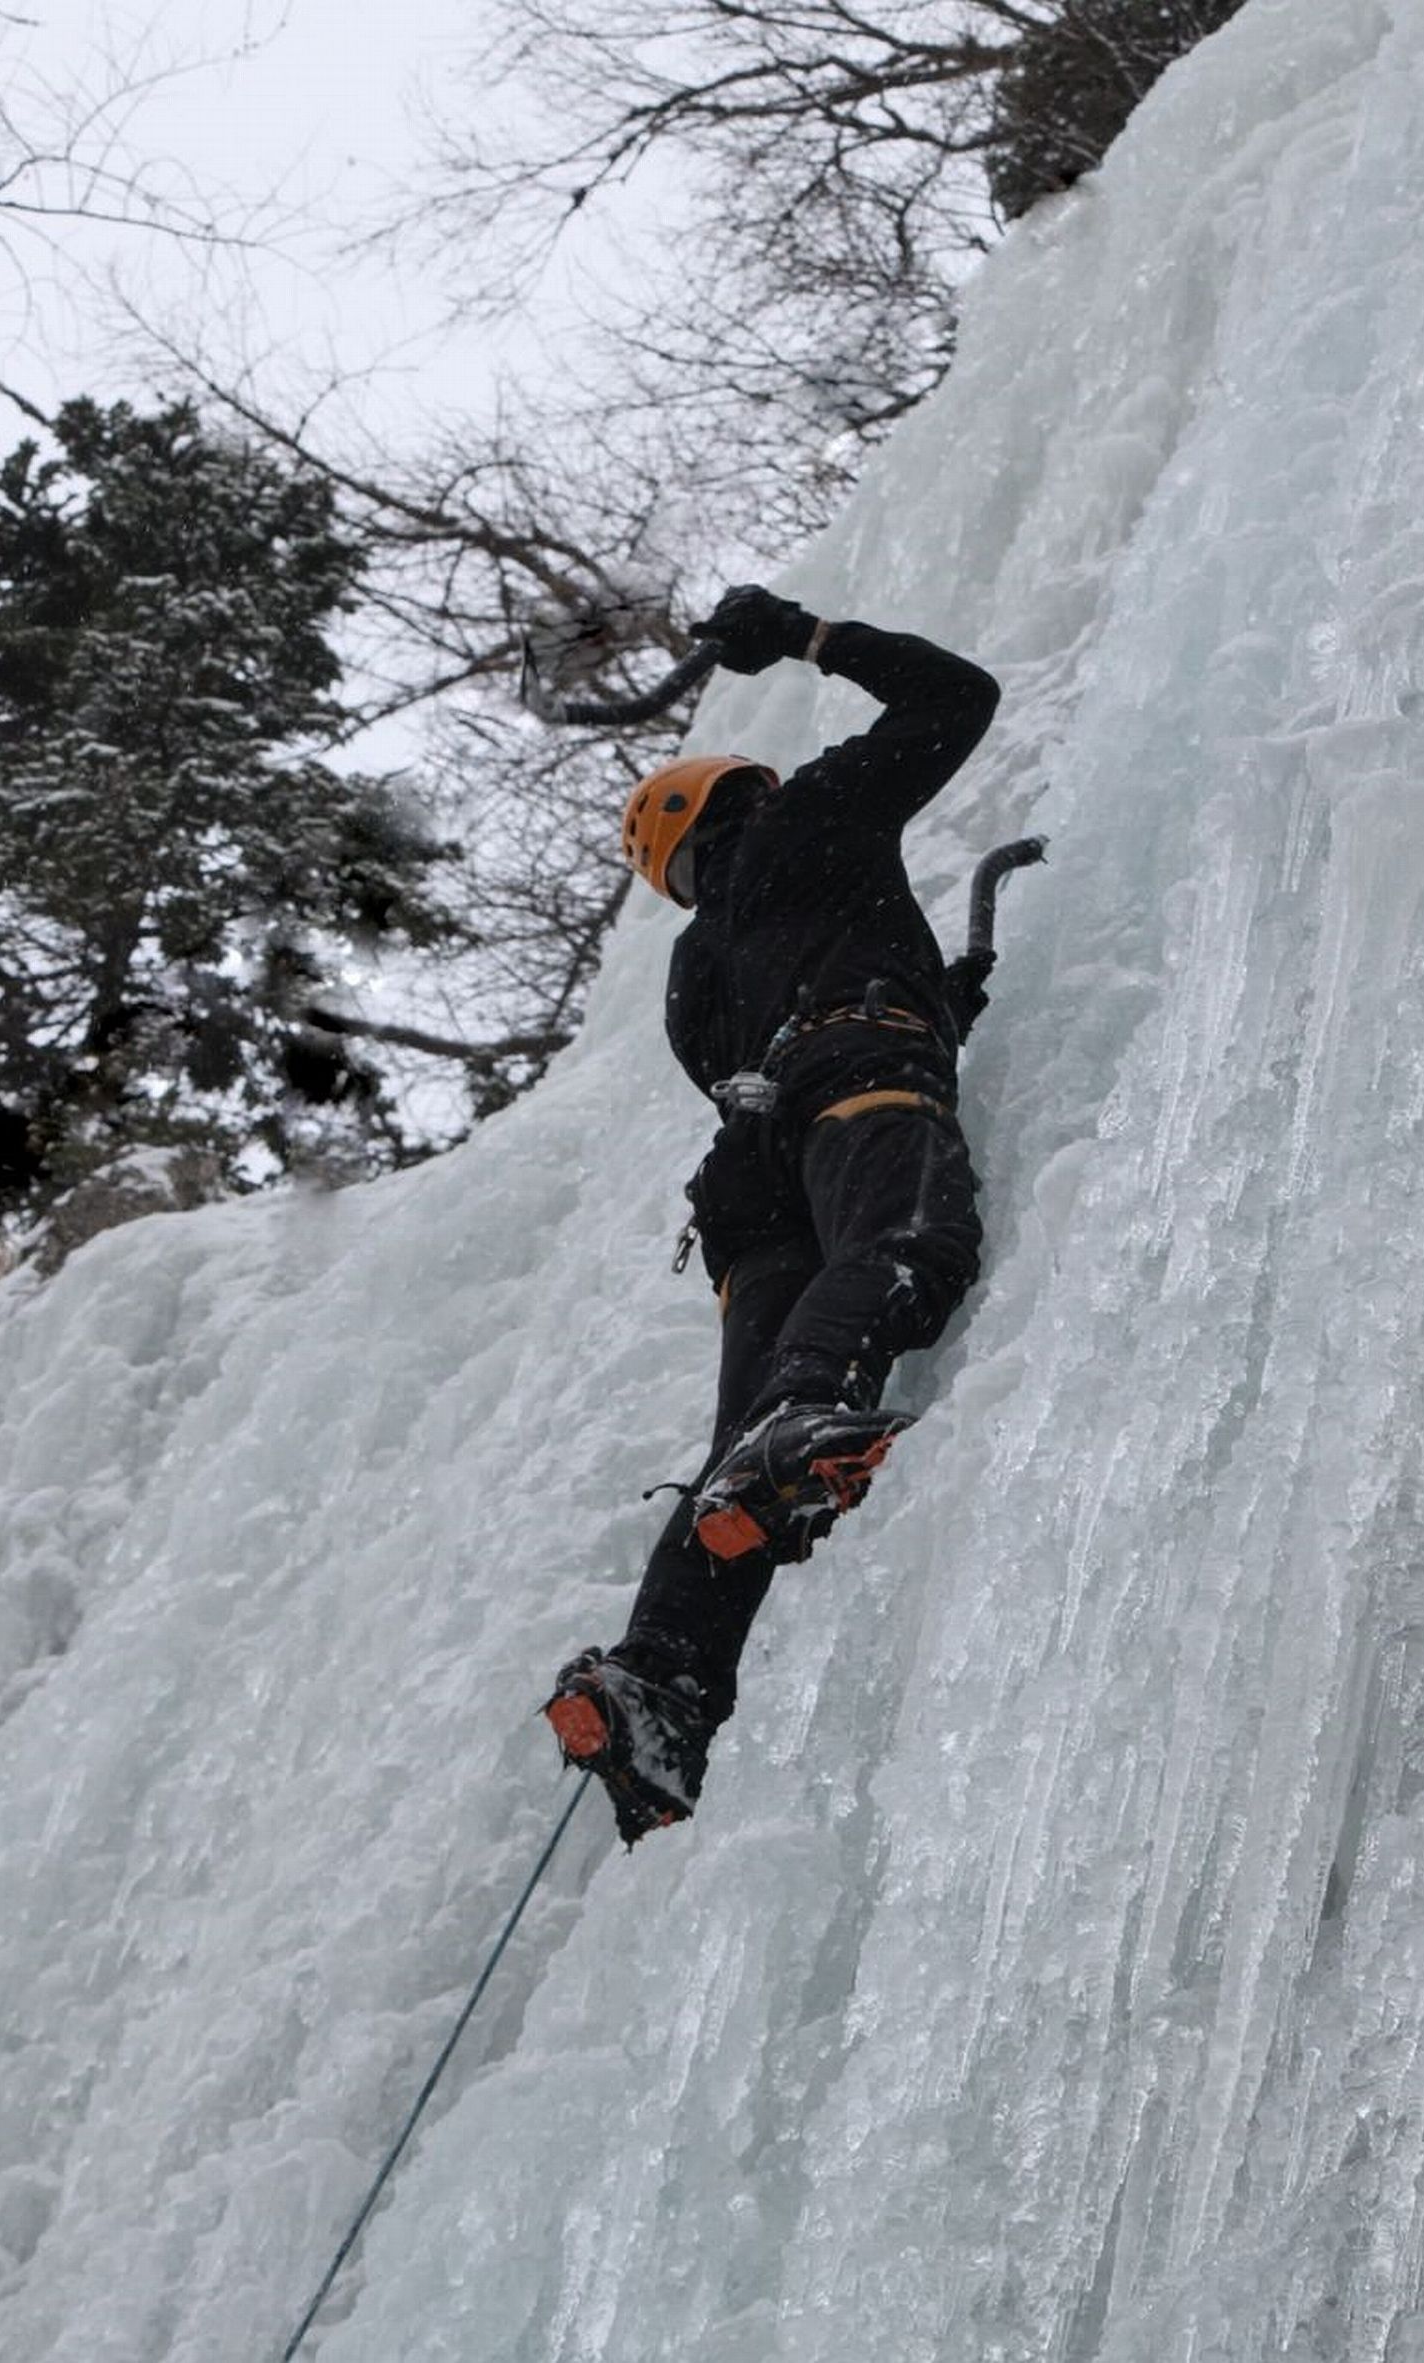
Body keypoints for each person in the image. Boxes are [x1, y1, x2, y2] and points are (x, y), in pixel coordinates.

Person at [544, 585, 1002, 1843]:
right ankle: (804, 1412)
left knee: (740, 1450)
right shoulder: (807, 818)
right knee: (907, 1249)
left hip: (748, 1191)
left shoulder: (696, 967)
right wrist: (811, 637)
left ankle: (659, 1680)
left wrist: (936, 990)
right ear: (738, 793)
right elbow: (957, 697)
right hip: (855, 1082)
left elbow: (768, 1037)